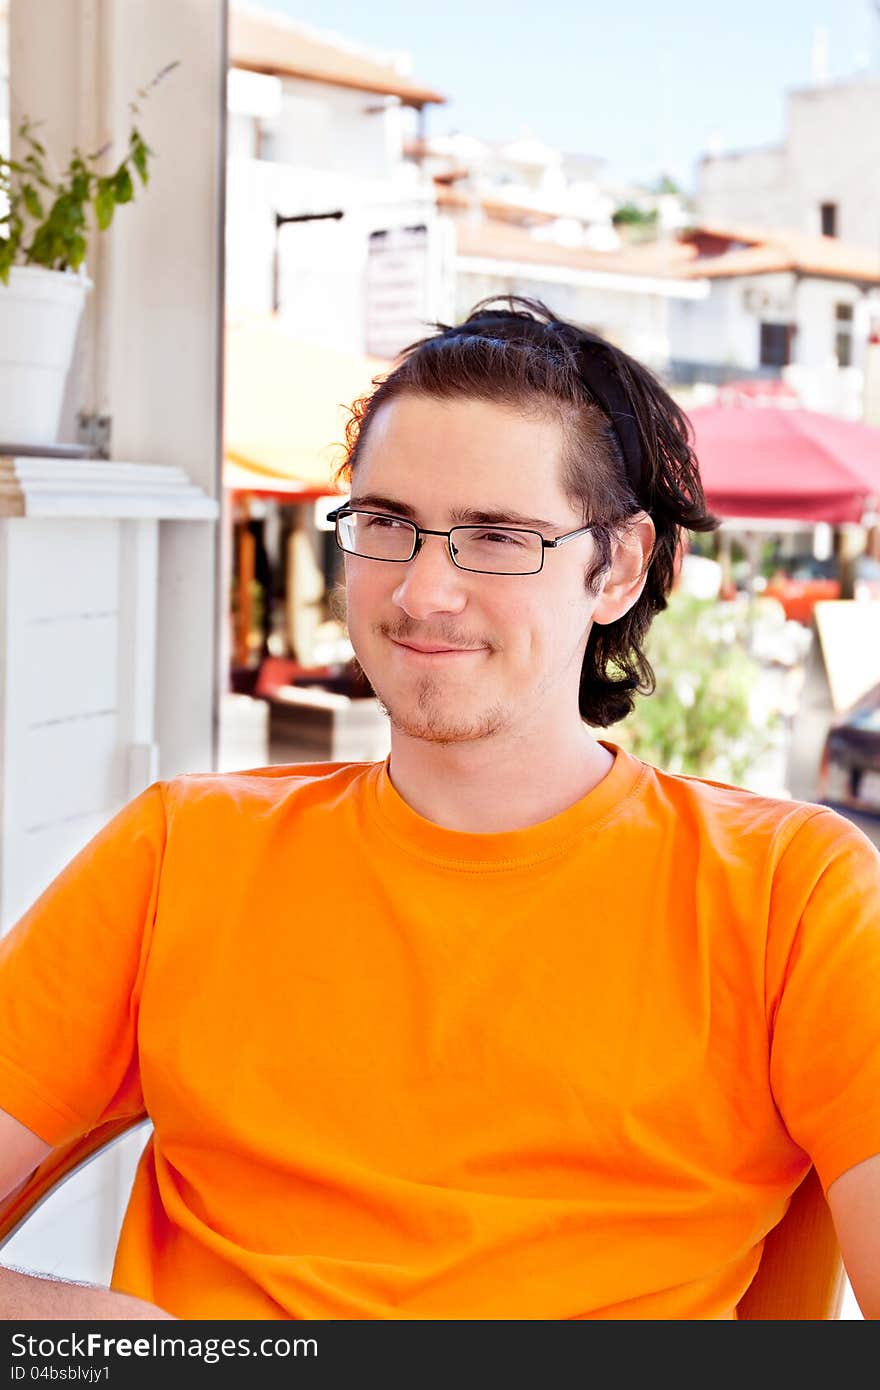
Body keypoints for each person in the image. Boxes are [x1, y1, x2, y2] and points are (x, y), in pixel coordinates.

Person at [0, 296, 878, 1322]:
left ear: (619, 567)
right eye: (386, 525)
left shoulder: (792, 893)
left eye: (497, 536)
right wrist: (117, 1338)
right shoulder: (179, 855)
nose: (421, 592)